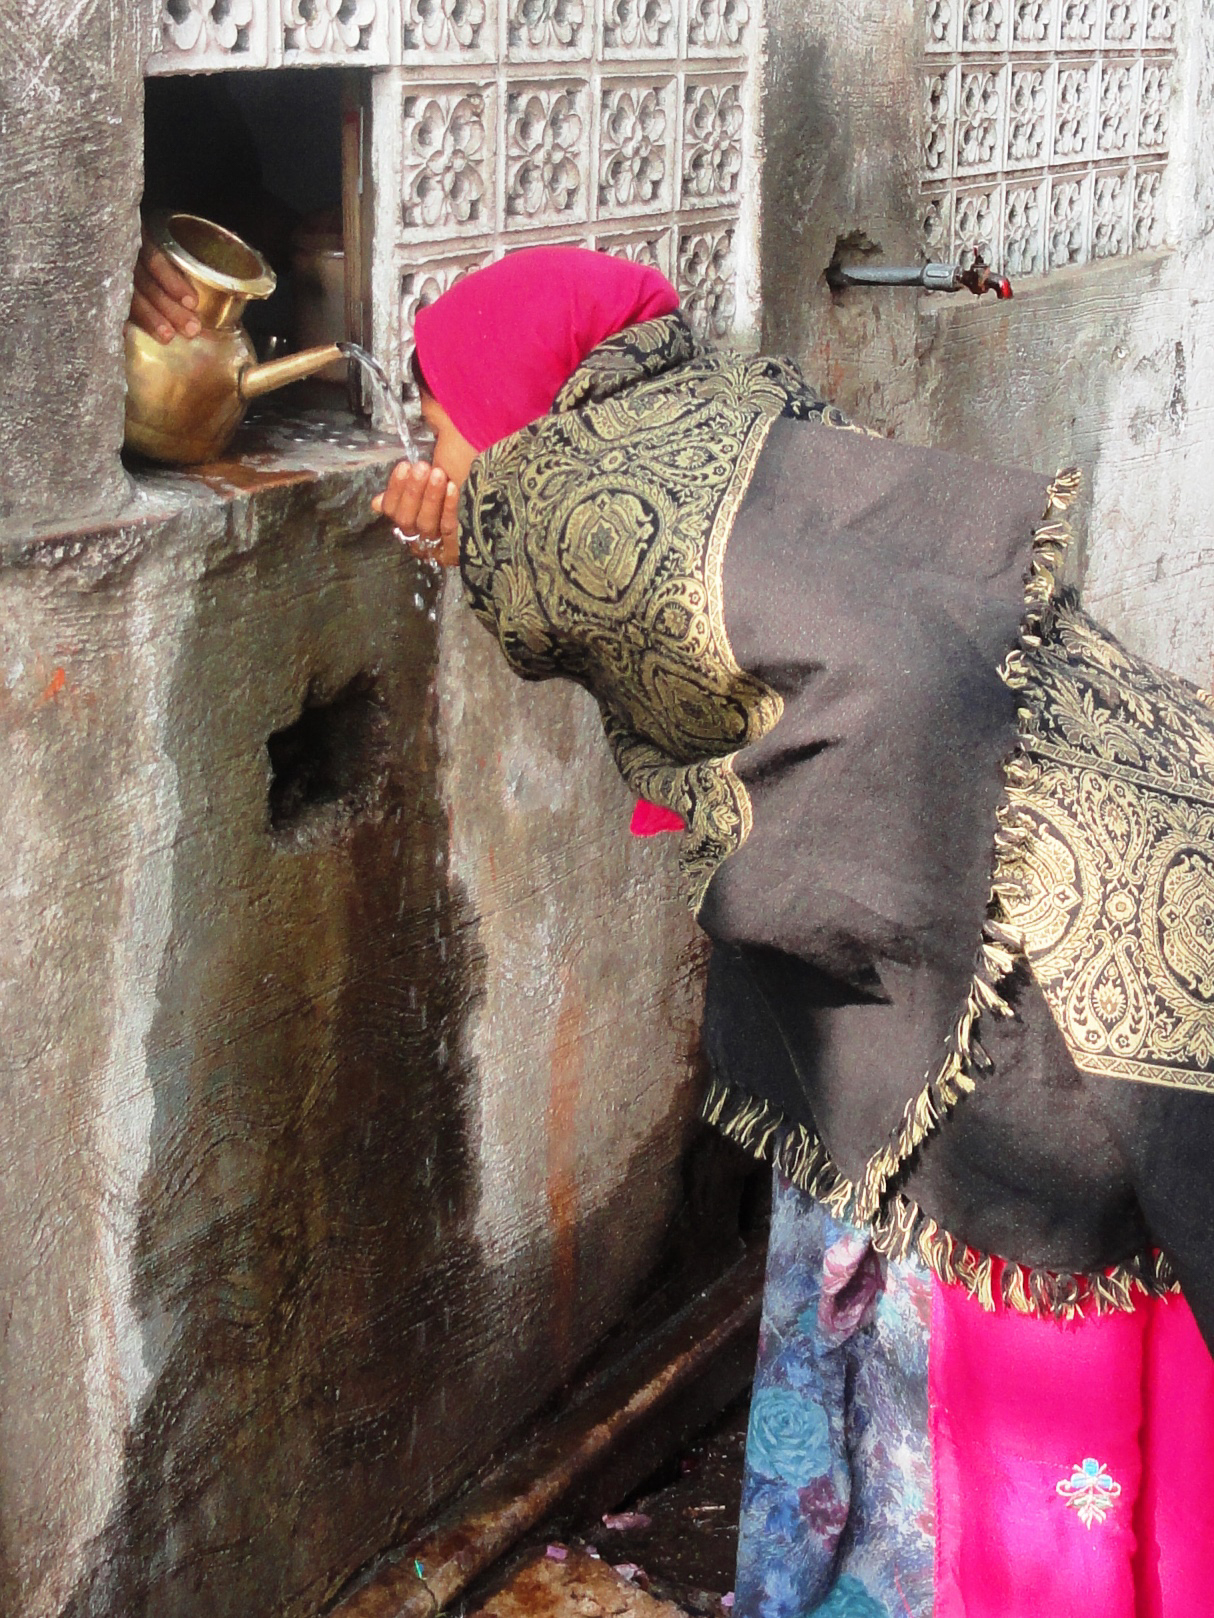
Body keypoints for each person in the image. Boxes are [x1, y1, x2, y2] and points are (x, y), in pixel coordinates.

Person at [373, 246, 1214, 1618]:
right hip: (1141, 832)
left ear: (515, 410)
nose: (436, 449)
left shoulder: (582, 497)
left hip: (1019, 946)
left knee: (1006, 1303)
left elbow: (571, 565)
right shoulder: (729, 426)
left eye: (441, 417)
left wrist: (484, 527)